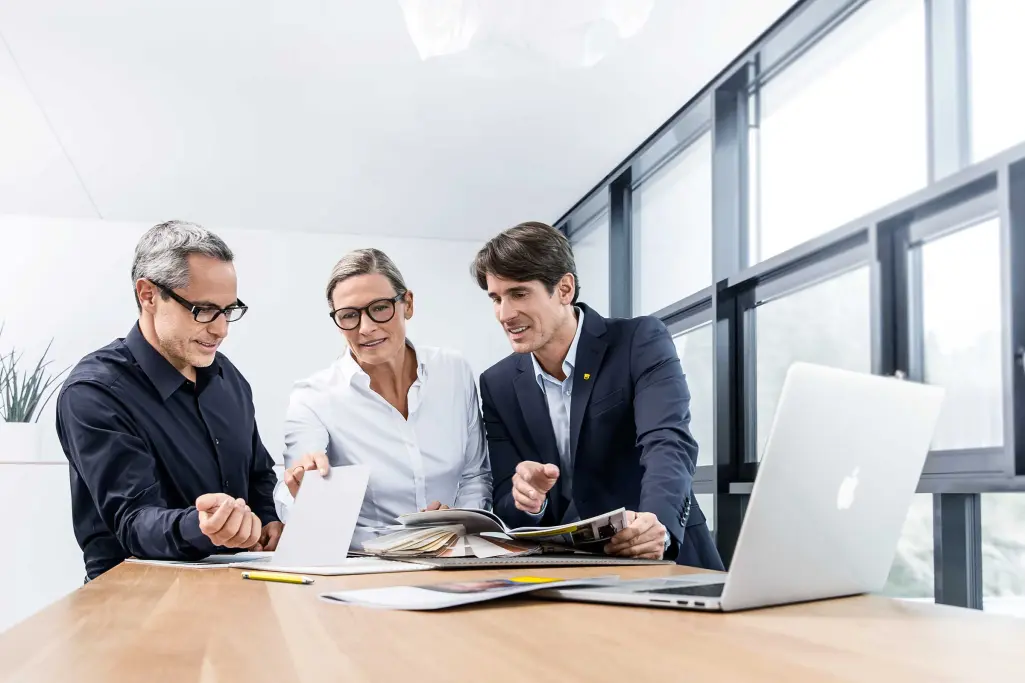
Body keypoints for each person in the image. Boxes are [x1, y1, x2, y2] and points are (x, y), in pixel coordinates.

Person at [472, 221, 723, 569]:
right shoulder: (496, 383)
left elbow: (668, 441)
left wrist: (657, 524)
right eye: (496, 298)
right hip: (569, 570)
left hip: (662, 552)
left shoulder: (639, 341)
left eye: (519, 294)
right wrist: (527, 498)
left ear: (564, 289)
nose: (504, 314)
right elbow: (505, 500)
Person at [55, 221, 282, 580]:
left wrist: (269, 519)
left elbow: (258, 473)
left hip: (238, 589)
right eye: (203, 310)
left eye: (228, 310)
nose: (221, 329)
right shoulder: (94, 392)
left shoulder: (229, 379)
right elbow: (133, 521)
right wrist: (203, 526)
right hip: (134, 599)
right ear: (148, 294)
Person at [275, 248, 490, 539]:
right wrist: (302, 487)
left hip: (456, 552)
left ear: (408, 304)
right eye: (349, 315)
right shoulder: (313, 397)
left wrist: (458, 527)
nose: (365, 328)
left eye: (379, 308)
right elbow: (292, 494)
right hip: (371, 563)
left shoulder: (453, 371)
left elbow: (475, 475)